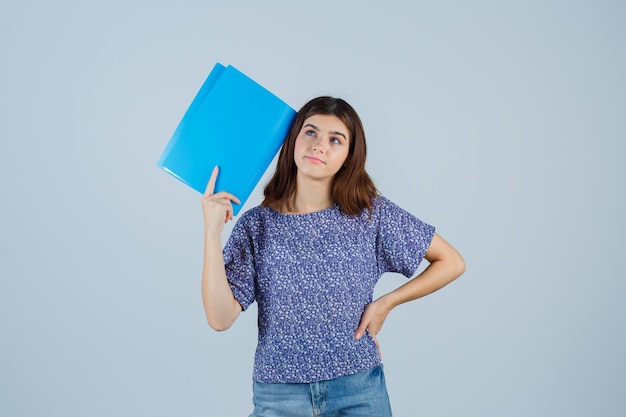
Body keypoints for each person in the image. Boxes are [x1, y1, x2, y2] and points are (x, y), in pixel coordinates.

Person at [201, 96, 465, 417]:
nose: (319, 146)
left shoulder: (370, 215)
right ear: (293, 139)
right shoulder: (258, 225)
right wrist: (212, 233)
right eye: (310, 132)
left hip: (358, 390)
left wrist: (386, 303)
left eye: (335, 140)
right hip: (280, 395)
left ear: (348, 157)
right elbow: (220, 318)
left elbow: (452, 262)